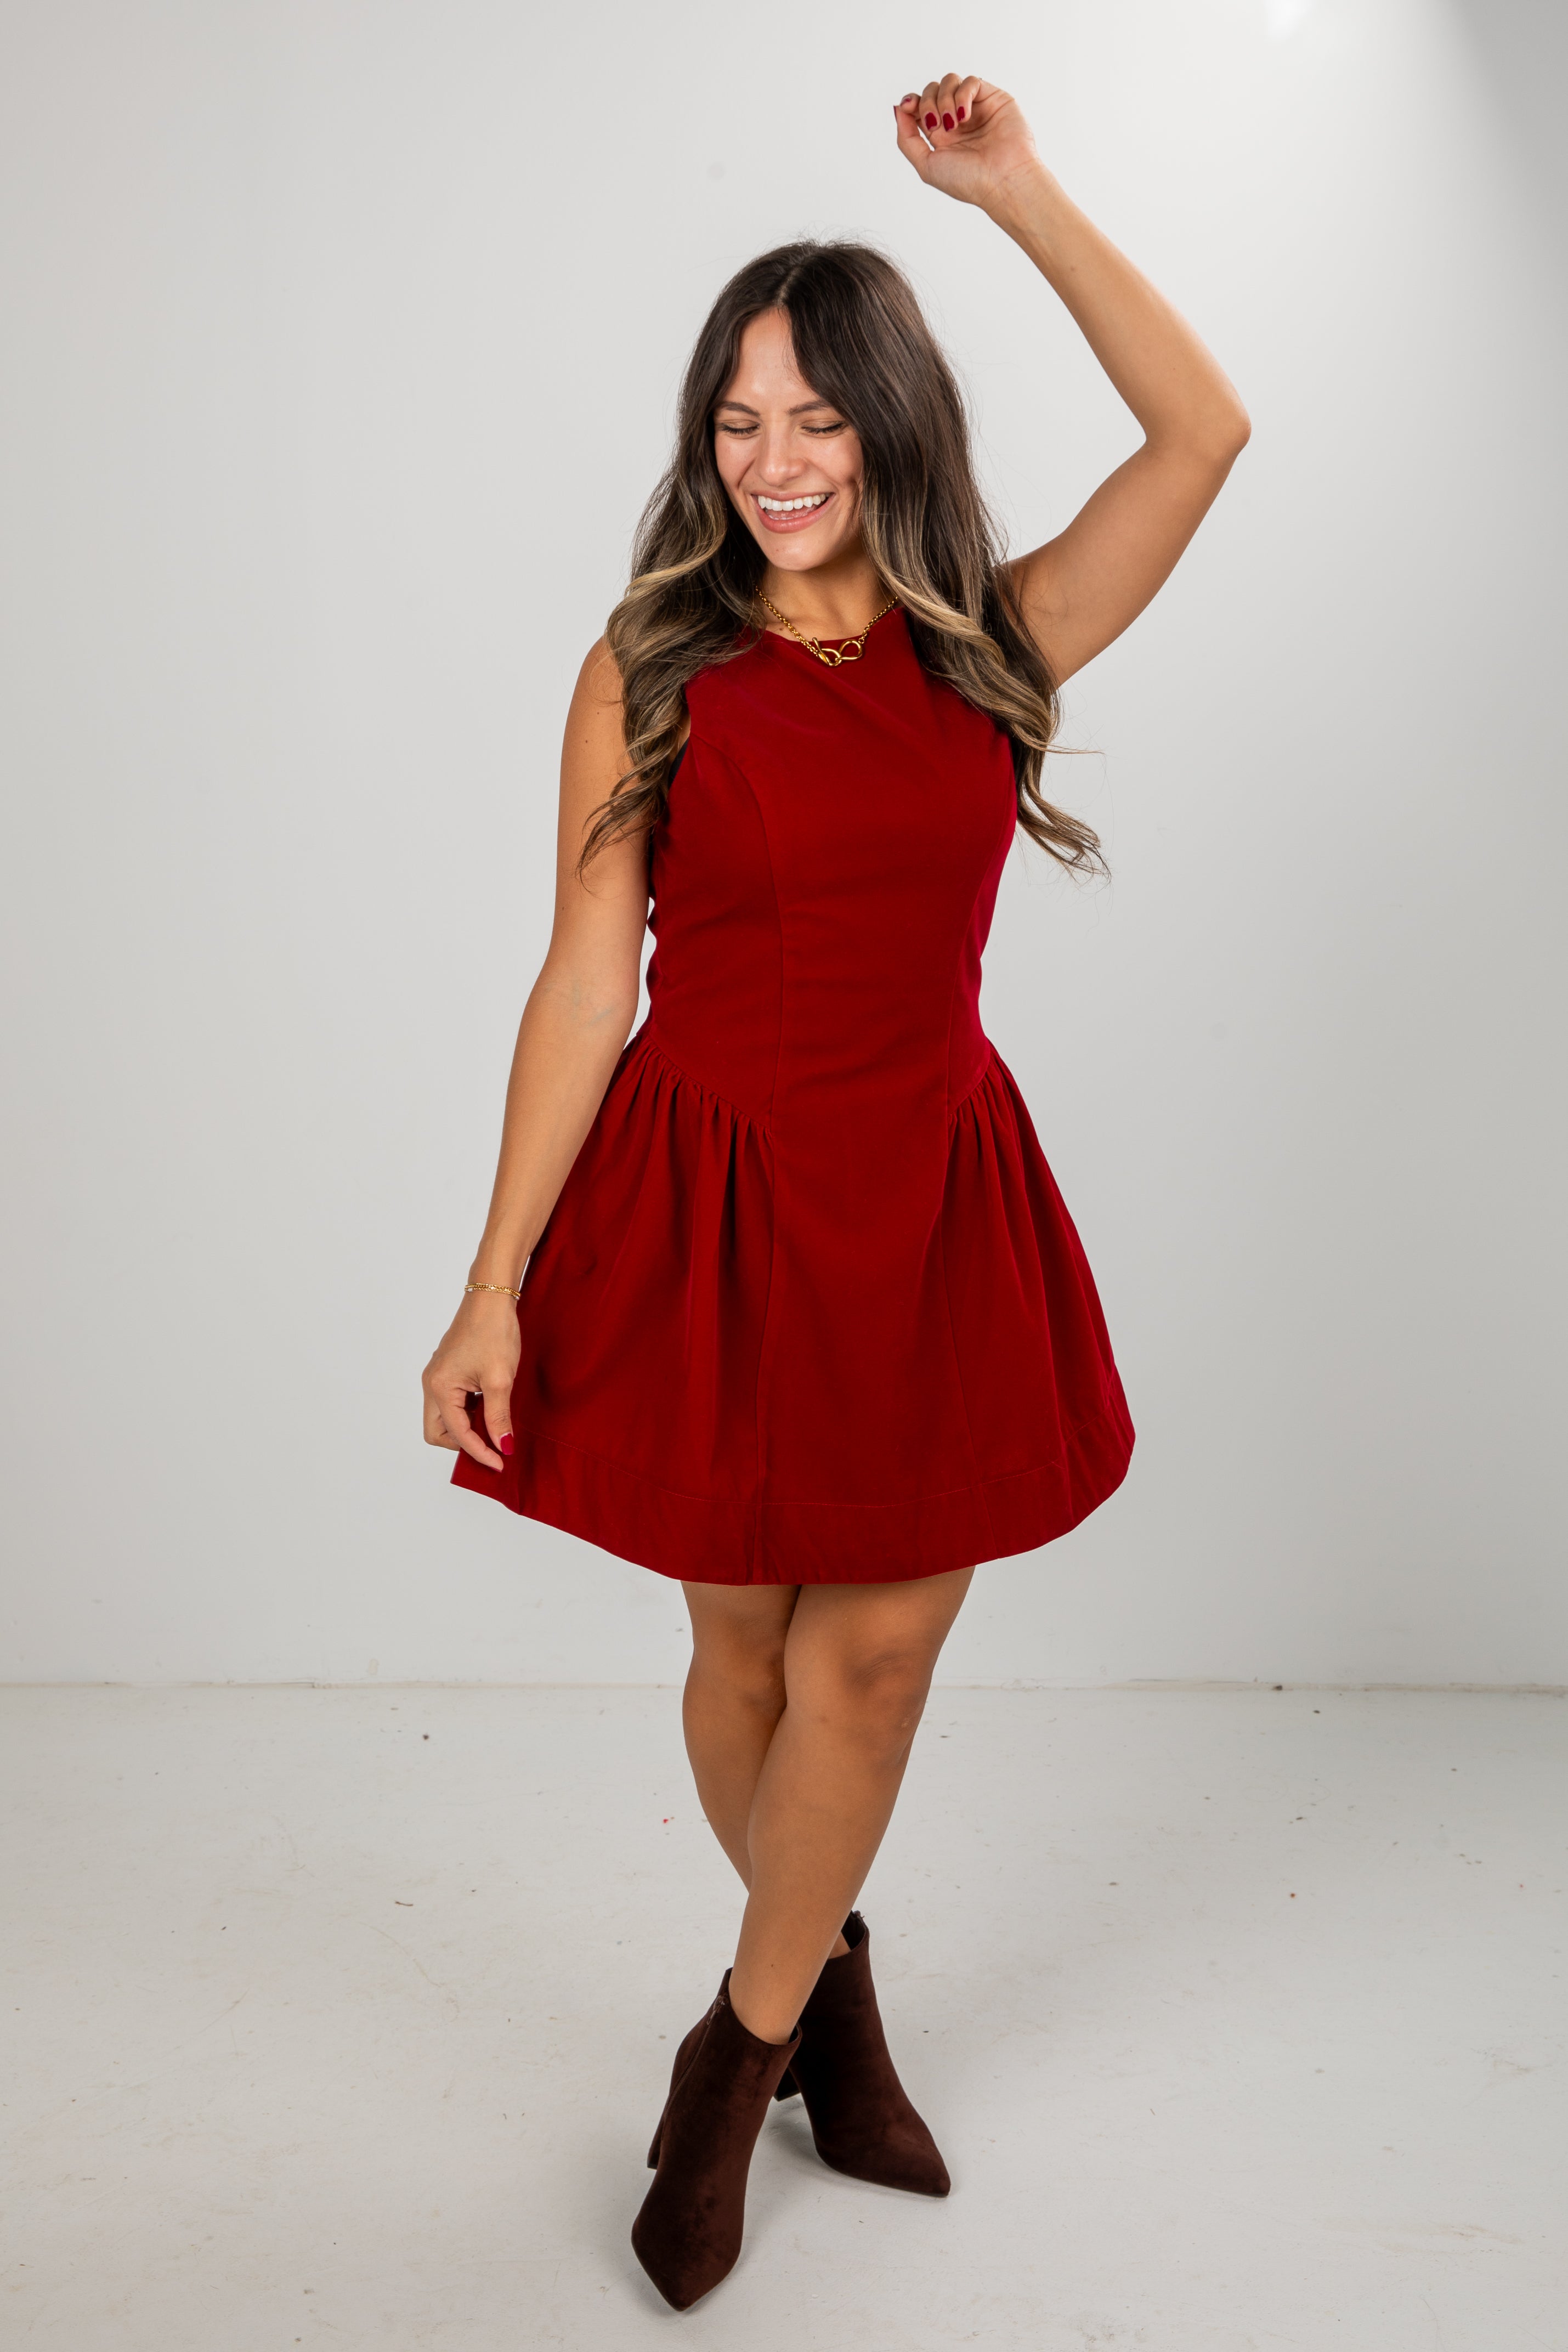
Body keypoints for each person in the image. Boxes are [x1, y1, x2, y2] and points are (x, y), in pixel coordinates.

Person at [422, 70, 1248, 2310]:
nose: (773, 461)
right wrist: (491, 1279)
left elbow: (1204, 436)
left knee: (867, 1668)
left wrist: (1016, 195)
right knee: (741, 1653)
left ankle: (736, 2049)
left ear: (888, 421)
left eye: (816, 417)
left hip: (928, 1197)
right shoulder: (649, 666)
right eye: (736, 423)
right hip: (702, 1200)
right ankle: (843, 1984)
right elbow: (585, 978)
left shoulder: (994, 643)